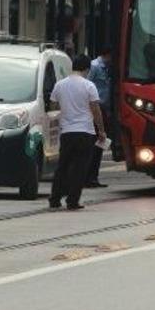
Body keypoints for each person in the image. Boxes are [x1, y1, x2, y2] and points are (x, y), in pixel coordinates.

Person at [48, 54, 106, 211]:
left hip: (66, 132)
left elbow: (53, 106)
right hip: (85, 131)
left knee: (63, 166)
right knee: (79, 168)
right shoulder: (89, 86)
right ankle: (73, 201)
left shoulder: (60, 85)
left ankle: (54, 199)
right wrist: (101, 130)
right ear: (87, 69)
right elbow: (95, 109)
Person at [86, 47, 112, 188]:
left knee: (100, 145)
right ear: (107, 54)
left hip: (105, 110)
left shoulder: (108, 68)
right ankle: (88, 177)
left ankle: (93, 177)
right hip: (95, 108)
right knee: (93, 145)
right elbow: (87, 85)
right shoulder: (94, 66)